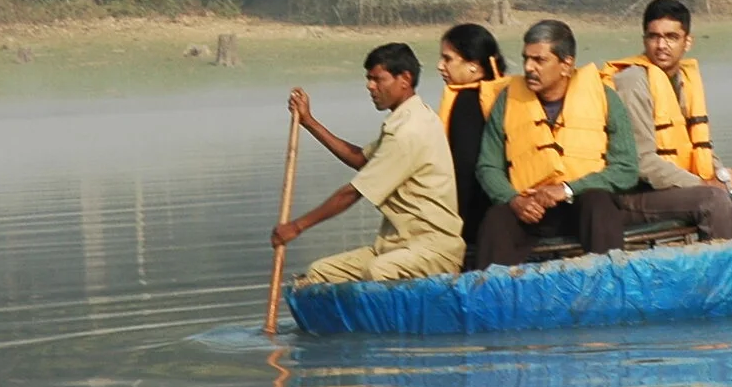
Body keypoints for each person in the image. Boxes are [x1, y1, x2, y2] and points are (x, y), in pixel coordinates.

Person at [273, 43, 463, 284]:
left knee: (378, 272)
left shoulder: (411, 130)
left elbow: (353, 193)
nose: (370, 86)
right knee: (321, 273)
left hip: (432, 251)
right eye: (368, 79)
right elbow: (361, 160)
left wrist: (297, 227)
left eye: (377, 79)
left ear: (404, 79)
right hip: (394, 247)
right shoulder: (401, 121)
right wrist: (309, 122)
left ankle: (390, 322)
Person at [471, 19, 640, 269]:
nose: (528, 67)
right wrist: (513, 200)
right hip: (529, 207)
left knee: (598, 203)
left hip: (581, 203)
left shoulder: (605, 99)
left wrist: (567, 189)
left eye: (539, 60)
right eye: (526, 58)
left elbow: (626, 169)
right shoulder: (507, 101)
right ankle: (490, 297)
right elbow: (488, 166)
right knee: (496, 219)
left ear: (566, 64)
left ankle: (608, 284)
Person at [605, 0, 732, 239]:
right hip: (634, 194)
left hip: (677, 187)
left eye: (671, 37)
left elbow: (696, 145)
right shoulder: (632, 82)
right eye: (654, 37)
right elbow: (641, 162)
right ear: (645, 40)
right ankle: (727, 266)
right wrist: (704, 184)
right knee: (712, 200)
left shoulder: (683, 80)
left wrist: (723, 175)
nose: (661, 45)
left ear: (687, 42)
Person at [433, 22, 510, 248]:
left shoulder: (465, 103)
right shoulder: (506, 94)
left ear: (474, 66)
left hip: (478, 217)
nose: (440, 66)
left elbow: (465, 167)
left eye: (448, 59)